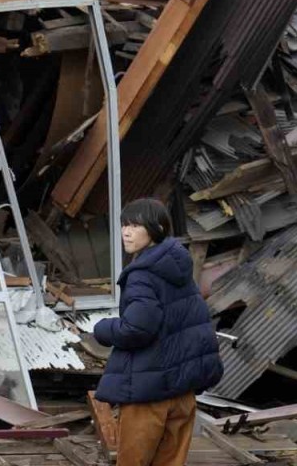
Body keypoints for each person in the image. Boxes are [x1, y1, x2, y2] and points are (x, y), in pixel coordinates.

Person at [93, 198, 223, 466]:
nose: (126, 232)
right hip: (181, 391)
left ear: (157, 228)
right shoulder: (178, 266)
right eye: (124, 225)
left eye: (135, 225)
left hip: (147, 393)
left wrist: (102, 329)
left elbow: (138, 329)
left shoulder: (143, 274)